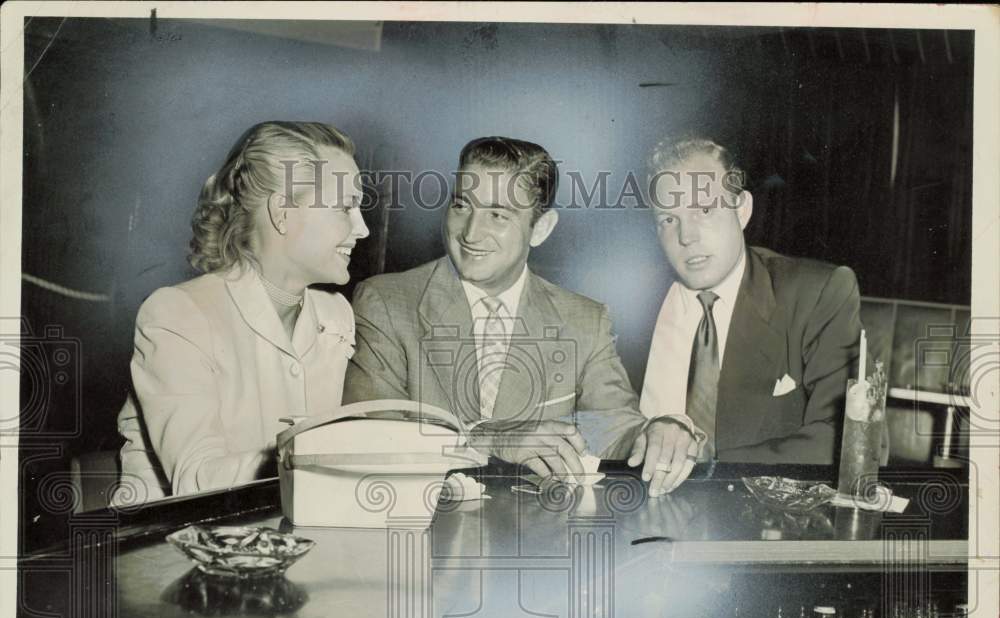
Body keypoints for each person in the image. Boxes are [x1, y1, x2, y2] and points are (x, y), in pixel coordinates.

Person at [344, 136, 677, 485]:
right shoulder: (386, 303)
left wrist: (661, 433)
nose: (471, 233)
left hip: (541, 531)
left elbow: (616, 428)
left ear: (541, 228)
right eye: (461, 206)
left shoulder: (584, 320)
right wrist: (484, 438)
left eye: (498, 215)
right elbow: (372, 438)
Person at [112, 121, 369, 503]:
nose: (361, 228)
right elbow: (195, 479)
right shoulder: (177, 314)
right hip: (171, 546)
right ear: (282, 212)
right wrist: (313, 459)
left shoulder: (336, 315)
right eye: (345, 208)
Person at [639, 136, 862, 470]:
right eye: (668, 220)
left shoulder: (815, 294)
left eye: (704, 210)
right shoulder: (626, 304)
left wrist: (707, 466)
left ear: (742, 210)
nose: (686, 236)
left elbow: (849, 438)